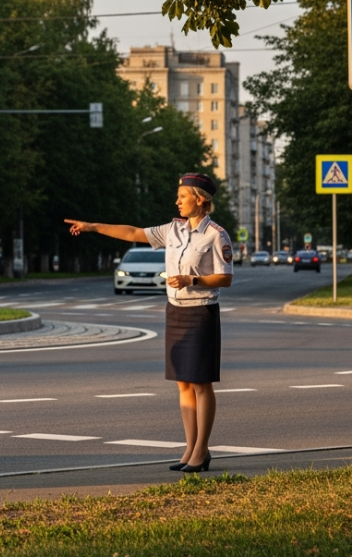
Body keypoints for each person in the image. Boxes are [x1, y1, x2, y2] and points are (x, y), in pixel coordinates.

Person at [64, 172, 233, 473]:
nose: (177, 200)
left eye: (182, 196)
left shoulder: (216, 235)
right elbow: (132, 233)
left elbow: (226, 278)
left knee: (201, 384)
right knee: (183, 383)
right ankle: (190, 449)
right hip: (176, 310)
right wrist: (92, 227)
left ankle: (202, 451)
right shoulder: (172, 230)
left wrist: (192, 279)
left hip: (201, 312)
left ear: (200, 199)